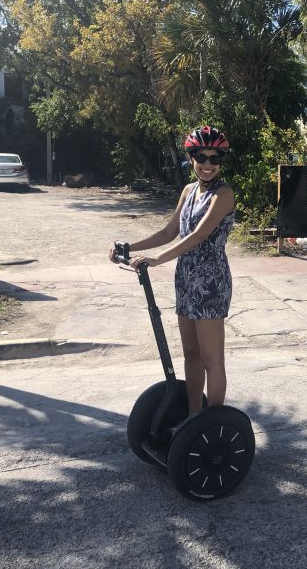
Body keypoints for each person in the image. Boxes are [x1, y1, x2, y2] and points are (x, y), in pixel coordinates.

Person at [109, 126, 235, 414]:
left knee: (211, 358)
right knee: (191, 354)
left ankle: (213, 423)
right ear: (191, 158)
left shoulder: (223, 193)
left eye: (214, 158)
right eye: (201, 157)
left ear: (220, 162)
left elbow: (198, 236)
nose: (207, 164)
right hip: (186, 279)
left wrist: (155, 260)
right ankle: (193, 416)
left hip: (211, 281)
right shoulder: (189, 191)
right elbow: (169, 231)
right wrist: (128, 247)